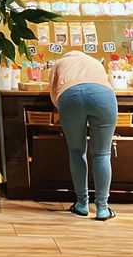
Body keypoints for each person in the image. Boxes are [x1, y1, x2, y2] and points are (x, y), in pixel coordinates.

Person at [49, 52, 118, 220]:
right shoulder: (95, 62)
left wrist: (65, 110)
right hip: (103, 96)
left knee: (76, 151)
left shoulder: (59, 63)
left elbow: (53, 94)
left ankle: (82, 204)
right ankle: (102, 208)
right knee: (102, 154)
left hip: (70, 96)